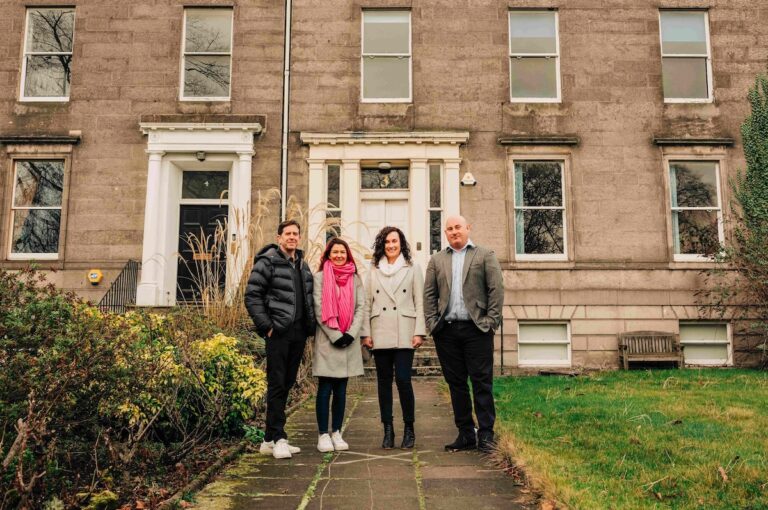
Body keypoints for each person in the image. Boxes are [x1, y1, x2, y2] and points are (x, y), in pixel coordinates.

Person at [423, 215, 504, 453]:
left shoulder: (484, 255)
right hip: (446, 331)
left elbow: (496, 290)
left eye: (458, 227)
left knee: (481, 382)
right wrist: (431, 323)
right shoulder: (437, 259)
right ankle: (466, 433)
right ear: (445, 233)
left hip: (476, 329)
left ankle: (487, 434)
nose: (454, 231)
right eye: (449, 229)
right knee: (456, 384)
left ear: (468, 228)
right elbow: (429, 294)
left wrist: (491, 322)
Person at [245, 219, 316, 459]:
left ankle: (268, 439)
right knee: (276, 384)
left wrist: (310, 327)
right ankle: (279, 437)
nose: (292, 237)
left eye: (296, 233)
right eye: (288, 234)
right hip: (278, 333)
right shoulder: (268, 262)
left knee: (286, 383)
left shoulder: (303, 266)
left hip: (298, 334)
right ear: (279, 237)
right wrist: (267, 326)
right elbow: (252, 296)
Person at [361, 226, 425, 449]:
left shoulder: (412, 267)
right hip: (380, 331)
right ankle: (387, 429)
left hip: (405, 330)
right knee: (383, 383)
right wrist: (365, 333)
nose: (391, 245)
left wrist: (419, 331)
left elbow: (420, 301)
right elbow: (367, 303)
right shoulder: (373, 269)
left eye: (395, 241)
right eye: (387, 242)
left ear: (401, 243)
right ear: (382, 244)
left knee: (404, 381)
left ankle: (409, 428)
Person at [312, 237, 366, 452]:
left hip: (349, 341)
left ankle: (337, 432)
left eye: (342, 252)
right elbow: (318, 307)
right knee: (325, 388)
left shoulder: (355, 278)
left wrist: (351, 334)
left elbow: (361, 307)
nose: (339, 256)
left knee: (342, 390)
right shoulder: (319, 277)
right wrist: (336, 335)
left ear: (348, 255)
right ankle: (323, 435)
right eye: (335, 252)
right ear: (328, 254)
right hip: (328, 340)